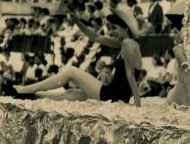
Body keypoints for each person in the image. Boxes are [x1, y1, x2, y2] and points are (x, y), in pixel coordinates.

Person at [14, 6, 143, 106]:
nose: (111, 32)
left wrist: (137, 104)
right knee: (72, 94)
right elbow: (96, 37)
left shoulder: (128, 44)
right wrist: (78, 22)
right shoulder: (127, 44)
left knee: (70, 71)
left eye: (114, 28)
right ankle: (35, 95)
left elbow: (131, 75)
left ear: (126, 28)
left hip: (112, 95)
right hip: (115, 94)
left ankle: (28, 89)